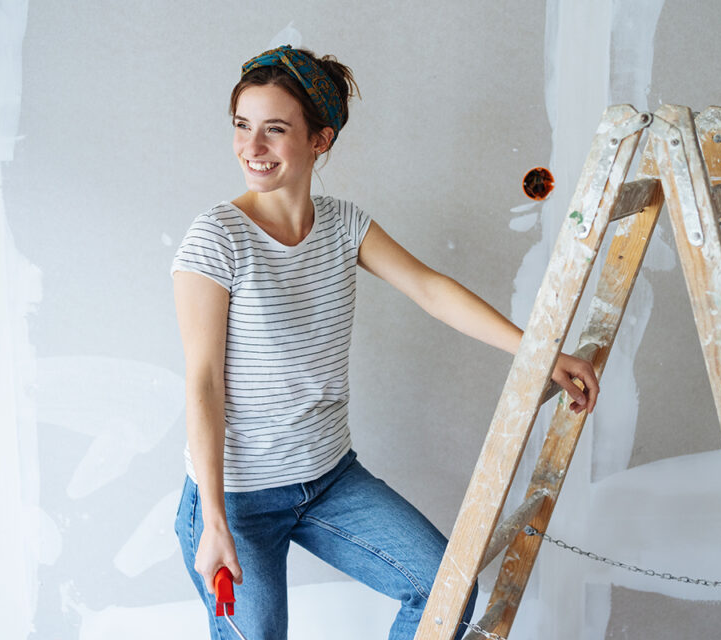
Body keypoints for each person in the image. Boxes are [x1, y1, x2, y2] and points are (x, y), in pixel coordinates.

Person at [171, 44, 599, 640]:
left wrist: (539, 353)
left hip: (327, 479)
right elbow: (203, 384)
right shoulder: (215, 238)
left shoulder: (344, 224)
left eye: (274, 130)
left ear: (320, 140)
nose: (251, 148)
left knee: (443, 589)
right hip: (235, 499)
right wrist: (213, 518)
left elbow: (430, 288)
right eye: (242, 126)